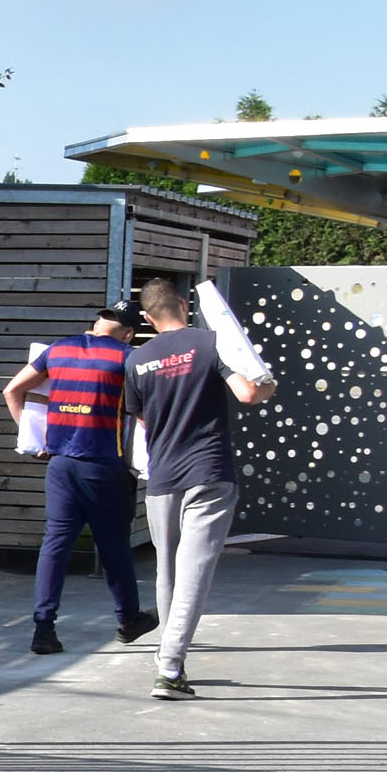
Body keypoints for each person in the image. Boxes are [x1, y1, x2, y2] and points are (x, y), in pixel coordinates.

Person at [120, 273, 276, 700]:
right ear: (184, 306)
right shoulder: (210, 342)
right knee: (194, 573)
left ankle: (169, 658)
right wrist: (269, 386)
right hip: (208, 472)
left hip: (162, 477)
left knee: (168, 571)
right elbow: (247, 393)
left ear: (148, 319)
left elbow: (143, 420)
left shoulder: (136, 361)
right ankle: (170, 669)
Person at [1, 300, 157, 658]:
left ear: (98, 322)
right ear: (128, 333)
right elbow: (144, 415)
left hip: (60, 466)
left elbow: (12, 391)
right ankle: (129, 620)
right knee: (114, 547)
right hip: (103, 467)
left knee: (55, 546)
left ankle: (43, 629)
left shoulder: (58, 350)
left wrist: (33, 439)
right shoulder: (127, 358)